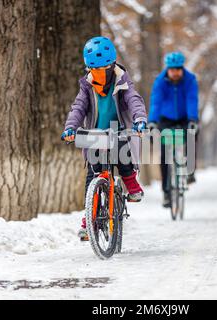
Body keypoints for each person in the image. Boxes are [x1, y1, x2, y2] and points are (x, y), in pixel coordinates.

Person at [61, 36, 147, 240]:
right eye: (94, 70)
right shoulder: (86, 87)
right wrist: (71, 128)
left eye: (103, 69)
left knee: (122, 154)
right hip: (95, 135)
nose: (98, 74)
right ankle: (88, 218)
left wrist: (140, 119)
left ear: (111, 66)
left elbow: (134, 101)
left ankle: (131, 183)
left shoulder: (123, 82)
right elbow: (78, 108)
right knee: (92, 175)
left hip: (119, 131)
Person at [147, 52, 199, 208]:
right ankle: (166, 193)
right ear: (167, 69)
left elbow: (192, 99)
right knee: (164, 153)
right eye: (172, 69)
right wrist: (152, 121)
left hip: (185, 117)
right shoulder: (160, 81)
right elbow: (156, 102)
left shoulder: (190, 80)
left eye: (178, 69)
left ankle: (190, 170)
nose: (175, 72)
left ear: (182, 68)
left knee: (192, 135)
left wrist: (192, 119)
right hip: (165, 118)